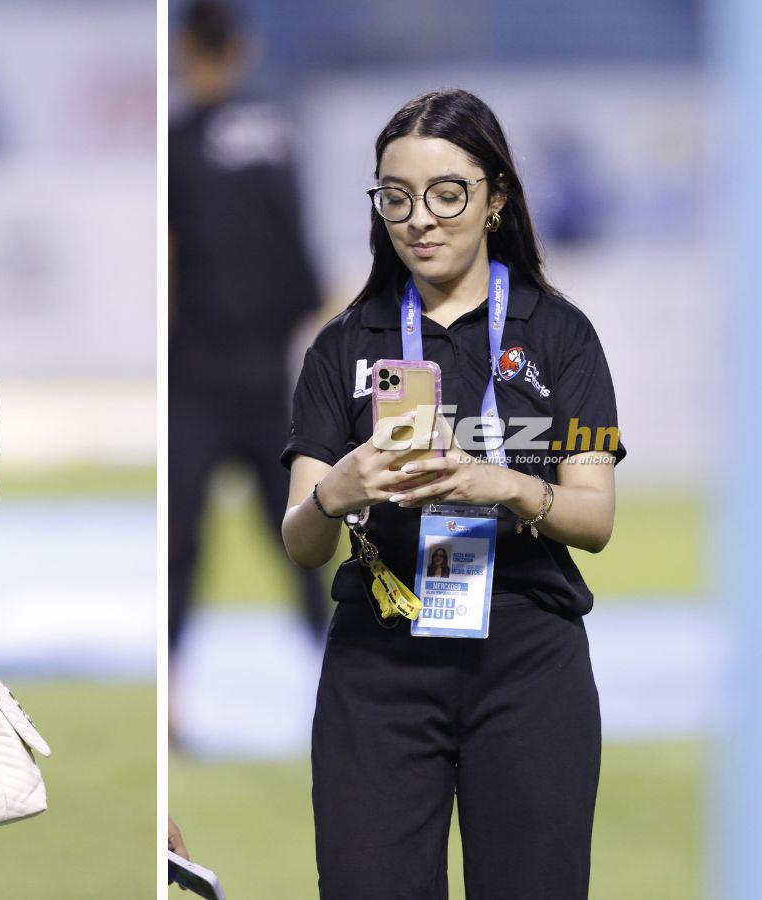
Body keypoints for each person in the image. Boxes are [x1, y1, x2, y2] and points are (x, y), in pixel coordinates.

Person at [281, 89, 624, 899]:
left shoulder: (557, 333)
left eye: (447, 193)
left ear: (495, 199)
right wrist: (337, 490)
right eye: (395, 197)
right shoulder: (344, 344)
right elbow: (301, 538)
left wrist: (497, 482)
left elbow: (596, 518)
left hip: (527, 663)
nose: (419, 220)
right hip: (380, 664)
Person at [169, 0, 326, 651]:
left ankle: (171, 695)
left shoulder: (182, 137)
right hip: (270, 374)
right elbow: (301, 258)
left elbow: (172, 256)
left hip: (197, 373)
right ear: (243, 49)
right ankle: (343, 679)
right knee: (303, 536)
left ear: (186, 50)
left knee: (180, 542)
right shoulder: (282, 130)